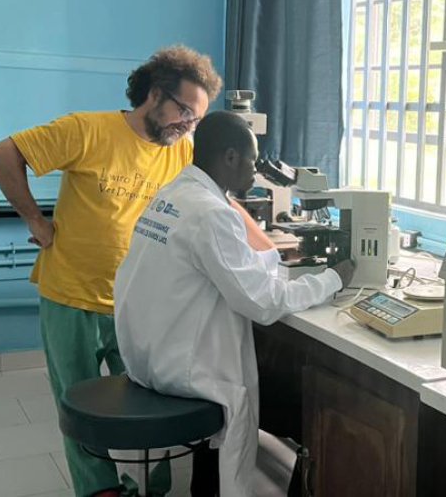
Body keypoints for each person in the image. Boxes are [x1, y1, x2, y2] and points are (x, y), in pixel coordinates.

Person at [0, 46, 271, 497]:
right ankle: (100, 491)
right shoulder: (86, 129)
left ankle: (149, 488)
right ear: (155, 95)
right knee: (78, 408)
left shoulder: (180, 154)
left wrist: (269, 249)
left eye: (196, 120)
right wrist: (36, 222)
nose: (188, 126)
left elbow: (224, 204)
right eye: (184, 112)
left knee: (150, 408)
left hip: (140, 303)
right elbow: (3, 154)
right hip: (72, 297)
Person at [115, 111, 354, 497]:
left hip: (148, 356)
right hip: (185, 369)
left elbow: (222, 264)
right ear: (229, 157)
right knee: (304, 402)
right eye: (252, 161)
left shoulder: (175, 194)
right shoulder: (211, 214)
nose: (255, 173)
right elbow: (262, 304)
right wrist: (333, 279)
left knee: (280, 385)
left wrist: (273, 261)